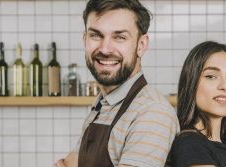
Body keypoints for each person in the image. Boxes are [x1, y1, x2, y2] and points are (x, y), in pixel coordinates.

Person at [55, 0, 179, 166]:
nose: (105, 49)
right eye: (95, 35)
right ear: (85, 40)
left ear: (141, 45)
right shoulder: (102, 103)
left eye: (119, 37)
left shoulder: (152, 112)